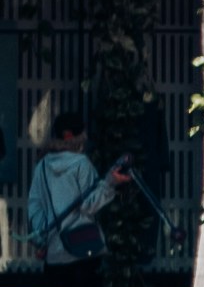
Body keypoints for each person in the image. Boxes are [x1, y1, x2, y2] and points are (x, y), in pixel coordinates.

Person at [22, 110, 130, 273]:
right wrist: (110, 183)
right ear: (75, 136)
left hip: (54, 255)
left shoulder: (42, 167)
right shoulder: (81, 163)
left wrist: (41, 242)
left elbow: (35, 208)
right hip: (84, 251)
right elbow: (89, 205)